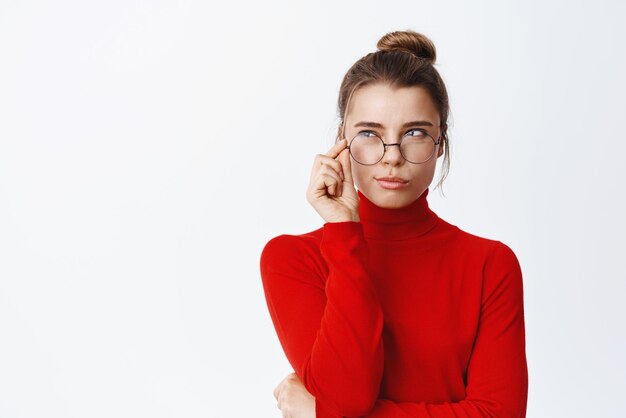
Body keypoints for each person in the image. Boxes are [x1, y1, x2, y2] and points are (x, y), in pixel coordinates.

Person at [259, 29, 528, 418]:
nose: (392, 157)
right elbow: (346, 397)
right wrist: (343, 233)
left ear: (441, 143)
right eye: (369, 133)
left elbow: (499, 415)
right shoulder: (292, 258)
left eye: (415, 132)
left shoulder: (491, 264)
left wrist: (319, 414)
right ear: (341, 142)